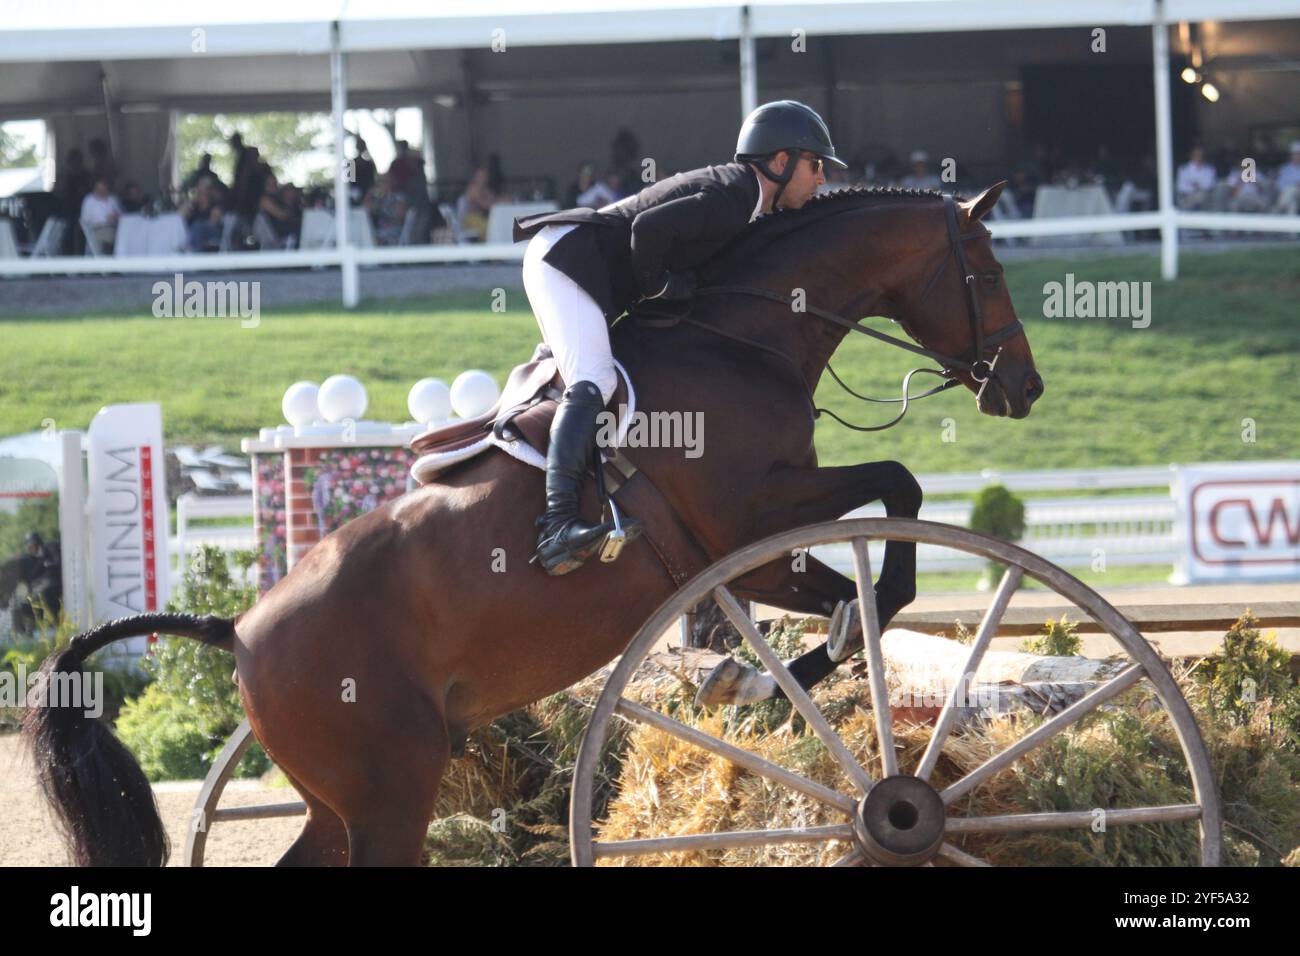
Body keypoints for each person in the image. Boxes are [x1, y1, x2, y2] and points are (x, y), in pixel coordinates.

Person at [513, 99, 845, 575]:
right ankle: (558, 525)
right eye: (816, 165)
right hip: (567, 259)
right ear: (780, 162)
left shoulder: (746, 201)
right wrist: (663, 287)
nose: (821, 179)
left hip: (586, 267)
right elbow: (648, 231)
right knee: (595, 379)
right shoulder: (733, 196)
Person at [79, 178, 121, 252]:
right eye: (98, 188)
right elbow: (84, 219)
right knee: (120, 236)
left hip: (115, 227)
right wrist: (105, 220)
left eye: (103, 188)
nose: (101, 191)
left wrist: (116, 216)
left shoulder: (113, 199)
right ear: (94, 189)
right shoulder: (89, 200)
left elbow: (121, 214)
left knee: (126, 234)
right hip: (97, 230)